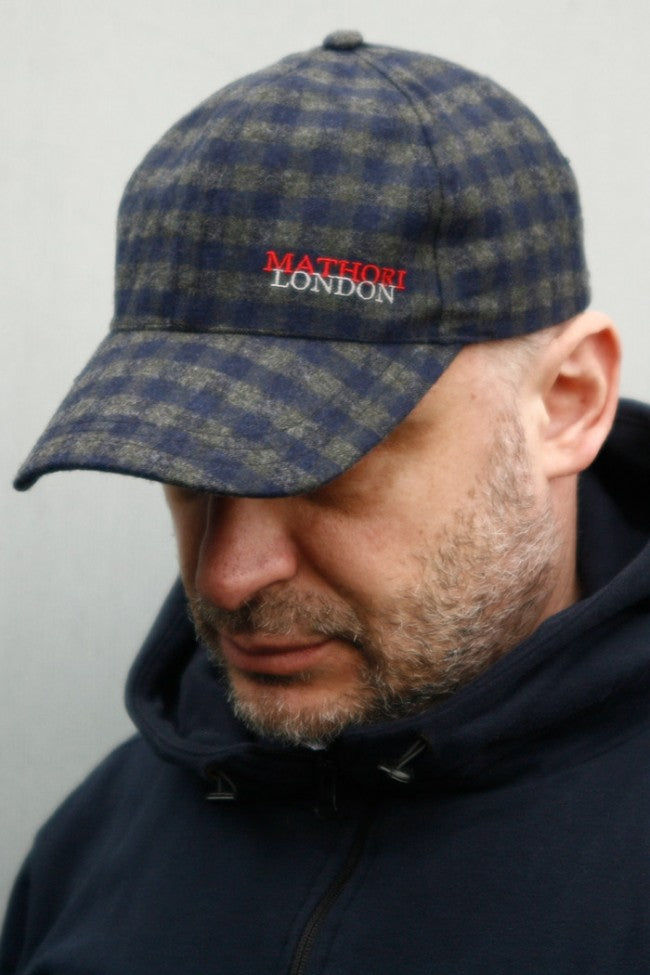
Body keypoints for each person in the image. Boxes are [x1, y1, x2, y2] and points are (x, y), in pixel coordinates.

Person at [2, 29, 649, 974]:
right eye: (185, 467)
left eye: (326, 468)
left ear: (568, 404)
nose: (229, 578)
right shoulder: (91, 852)